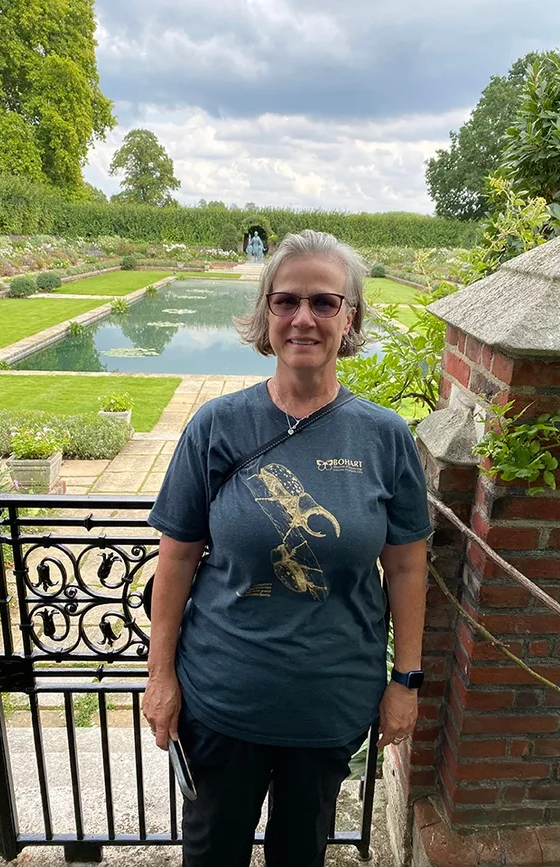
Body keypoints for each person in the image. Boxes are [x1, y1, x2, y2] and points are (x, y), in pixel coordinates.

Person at [143, 229, 431, 867]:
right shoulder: (217, 426)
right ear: (266, 315)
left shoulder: (384, 437)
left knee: (301, 855)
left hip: (329, 704)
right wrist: (160, 675)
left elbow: (408, 566)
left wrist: (405, 680)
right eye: (286, 301)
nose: (304, 318)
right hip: (222, 700)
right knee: (213, 855)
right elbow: (178, 558)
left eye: (324, 303)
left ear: (349, 318)